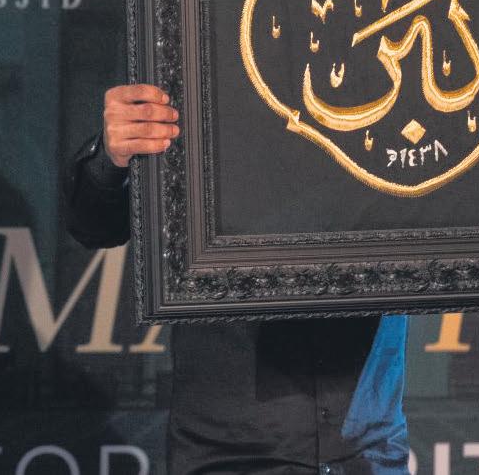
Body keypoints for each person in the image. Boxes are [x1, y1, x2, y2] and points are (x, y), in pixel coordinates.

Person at [67, 84, 408, 475]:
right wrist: (113, 156)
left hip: (372, 450)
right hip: (230, 456)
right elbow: (94, 224)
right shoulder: (195, 65)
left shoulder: (388, 70)